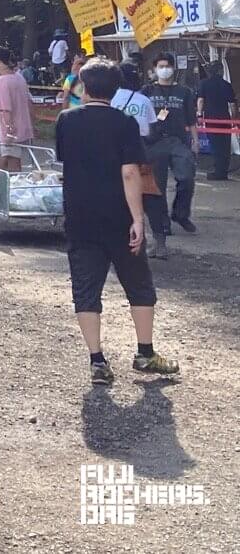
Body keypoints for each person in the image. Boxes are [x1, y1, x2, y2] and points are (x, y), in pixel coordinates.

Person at [54, 58, 179, 384]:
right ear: (117, 87)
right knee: (138, 284)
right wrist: (138, 219)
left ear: (83, 85)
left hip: (80, 215)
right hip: (119, 216)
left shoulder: (66, 120)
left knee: (86, 288)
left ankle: (97, 360)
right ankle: (145, 353)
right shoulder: (125, 123)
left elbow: (66, 163)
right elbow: (129, 172)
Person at [110, 62, 167, 258]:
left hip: (115, 154)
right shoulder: (144, 100)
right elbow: (153, 132)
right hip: (142, 154)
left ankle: (121, 240)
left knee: (117, 195)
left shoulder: (111, 99)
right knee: (150, 195)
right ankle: (160, 242)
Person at [141, 52, 198, 234]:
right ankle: (162, 223)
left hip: (178, 142)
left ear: (173, 68)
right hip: (153, 142)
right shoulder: (146, 91)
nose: (164, 70)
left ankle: (181, 214)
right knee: (158, 186)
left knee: (187, 178)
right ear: (155, 69)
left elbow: (192, 120)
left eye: (167, 66)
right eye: (161, 66)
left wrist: (195, 141)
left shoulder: (185, 92)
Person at [0, 48, 35, 168]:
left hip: (11, 131)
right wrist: (32, 123)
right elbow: (29, 102)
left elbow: (5, 109)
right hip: (23, 127)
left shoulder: (2, 81)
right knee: (8, 159)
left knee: (9, 162)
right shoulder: (19, 78)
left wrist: (9, 132)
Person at [197, 61, 236, 181]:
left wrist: (199, 114)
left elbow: (200, 100)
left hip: (210, 118)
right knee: (224, 145)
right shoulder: (226, 85)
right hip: (224, 118)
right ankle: (222, 171)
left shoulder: (204, 83)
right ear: (220, 71)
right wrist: (234, 119)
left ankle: (217, 170)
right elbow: (233, 104)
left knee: (215, 144)